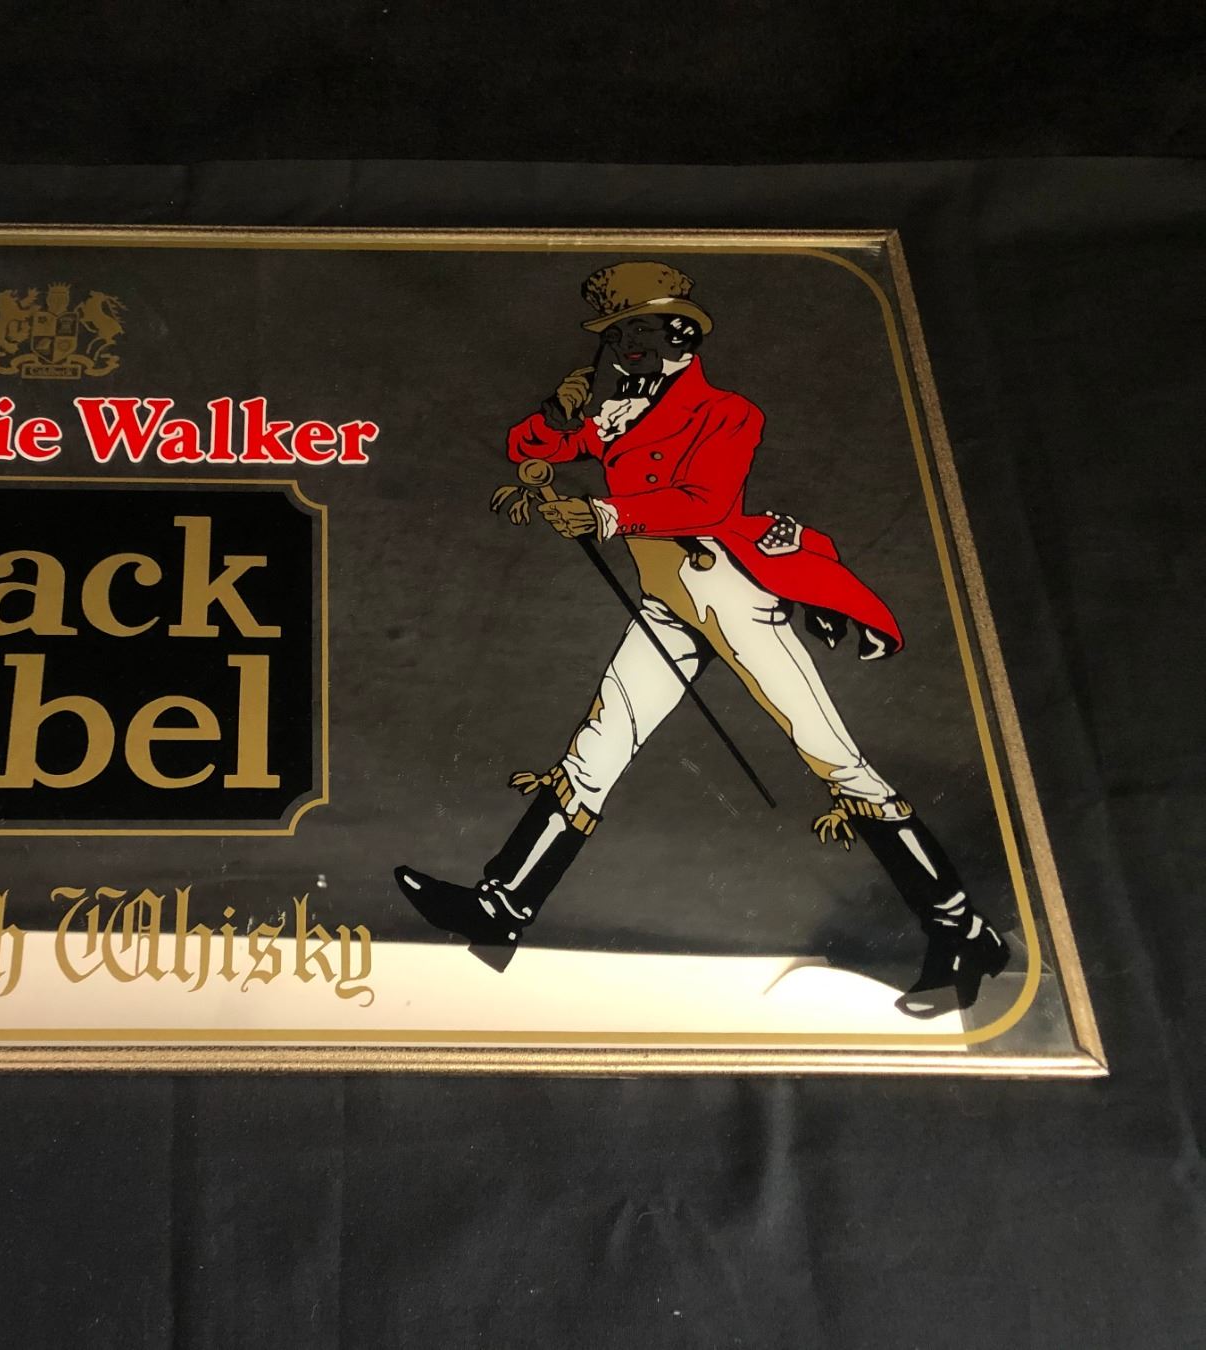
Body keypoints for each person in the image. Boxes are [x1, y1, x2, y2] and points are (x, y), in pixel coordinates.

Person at [393, 261, 1009, 1014]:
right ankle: (502, 909)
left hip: (730, 593)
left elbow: (706, 501)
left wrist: (606, 514)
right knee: (596, 749)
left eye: (639, 330)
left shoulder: (728, 412)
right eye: (617, 334)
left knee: (834, 758)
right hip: (666, 601)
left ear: (681, 335)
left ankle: (963, 930)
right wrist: (557, 412)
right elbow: (533, 449)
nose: (626, 345)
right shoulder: (615, 409)